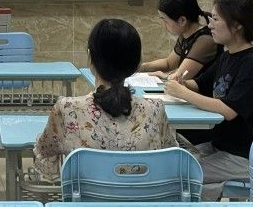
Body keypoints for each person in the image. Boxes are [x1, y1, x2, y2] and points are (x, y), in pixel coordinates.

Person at [166, 0, 253, 200]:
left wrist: (183, 93)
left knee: (178, 175)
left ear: (237, 26)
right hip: (222, 146)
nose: (209, 25)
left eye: (216, 19)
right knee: (173, 160)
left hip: (247, 156)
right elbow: (200, 84)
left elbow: (229, 110)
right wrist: (182, 83)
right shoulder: (228, 55)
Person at [34, 19, 177, 180]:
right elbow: (169, 157)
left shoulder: (67, 109)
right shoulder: (154, 109)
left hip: (87, 195)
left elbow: (44, 151)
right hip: (143, 195)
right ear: (137, 63)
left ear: (90, 58)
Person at [139, 0, 220, 81]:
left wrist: (163, 75)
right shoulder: (185, 34)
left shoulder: (205, 40)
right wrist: (140, 67)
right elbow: (168, 64)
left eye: (165, 20)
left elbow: (179, 77)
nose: (163, 24)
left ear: (182, 20)